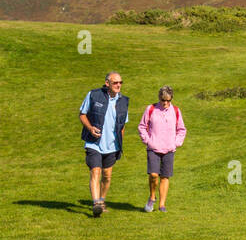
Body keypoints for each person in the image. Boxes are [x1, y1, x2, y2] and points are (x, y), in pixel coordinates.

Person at [79, 71, 129, 217]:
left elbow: (123, 125)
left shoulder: (123, 101)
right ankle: (96, 204)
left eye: (120, 82)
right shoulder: (94, 95)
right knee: (96, 171)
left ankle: (102, 200)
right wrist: (90, 128)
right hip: (94, 143)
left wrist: (120, 143)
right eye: (115, 83)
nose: (118, 85)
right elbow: (82, 114)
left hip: (112, 146)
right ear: (107, 83)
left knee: (107, 176)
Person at [137, 85, 187, 213]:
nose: (165, 103)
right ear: (159, 98)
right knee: (154, 175)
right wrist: (148, 141)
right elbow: (142, 126)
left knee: (165, 177)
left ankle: (162, 205)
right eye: (163, 100)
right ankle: (152, 197)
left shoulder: (175, 111)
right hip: (153, 148)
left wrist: (176, 143)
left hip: (169, 149)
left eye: (168, 100)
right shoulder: (151, 109)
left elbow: (181, 129)